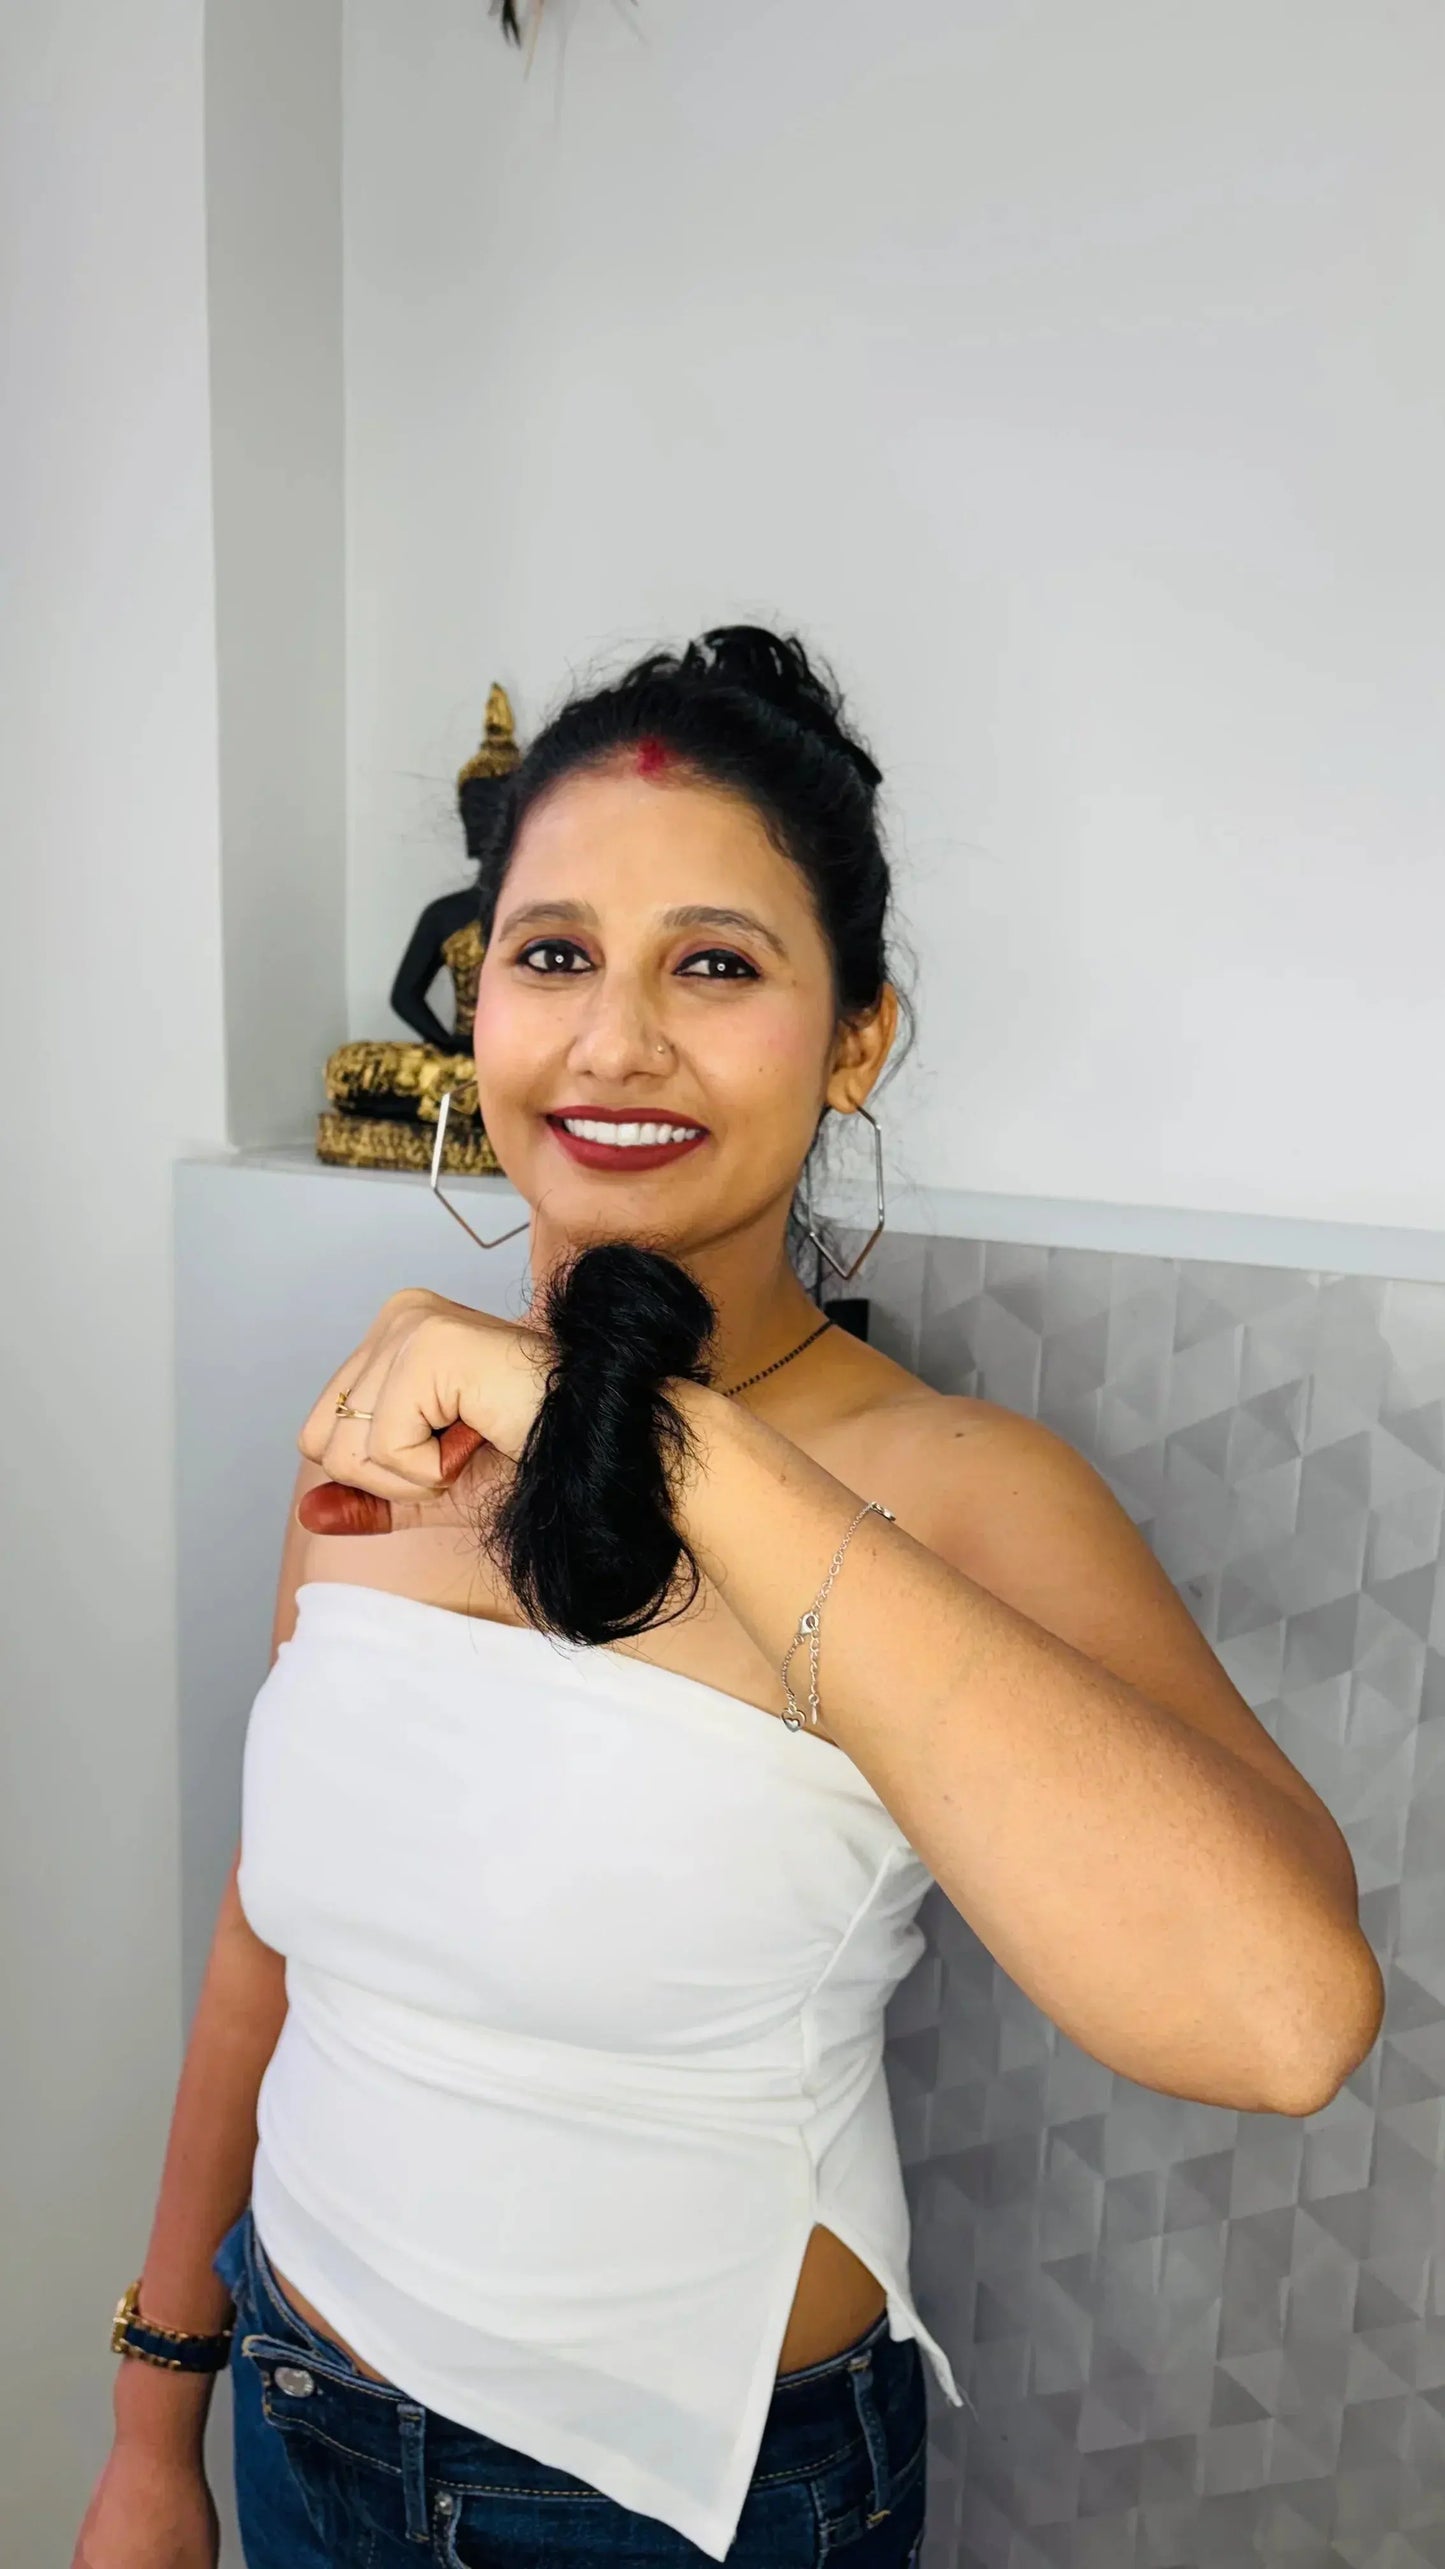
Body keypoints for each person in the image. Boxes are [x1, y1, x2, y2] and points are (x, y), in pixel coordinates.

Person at [74, 626, 1383, 2569]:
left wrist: (649, 1442)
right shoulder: (382, 1432)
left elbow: (1279, 2020)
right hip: (295, 2415)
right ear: (475, 1000)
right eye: (550, 955)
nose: (613, 1040)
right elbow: (269, 1953)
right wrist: (155, 2421)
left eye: (714, 962)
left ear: (857, 1031)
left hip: (676, 2513)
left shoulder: (962, 1493)